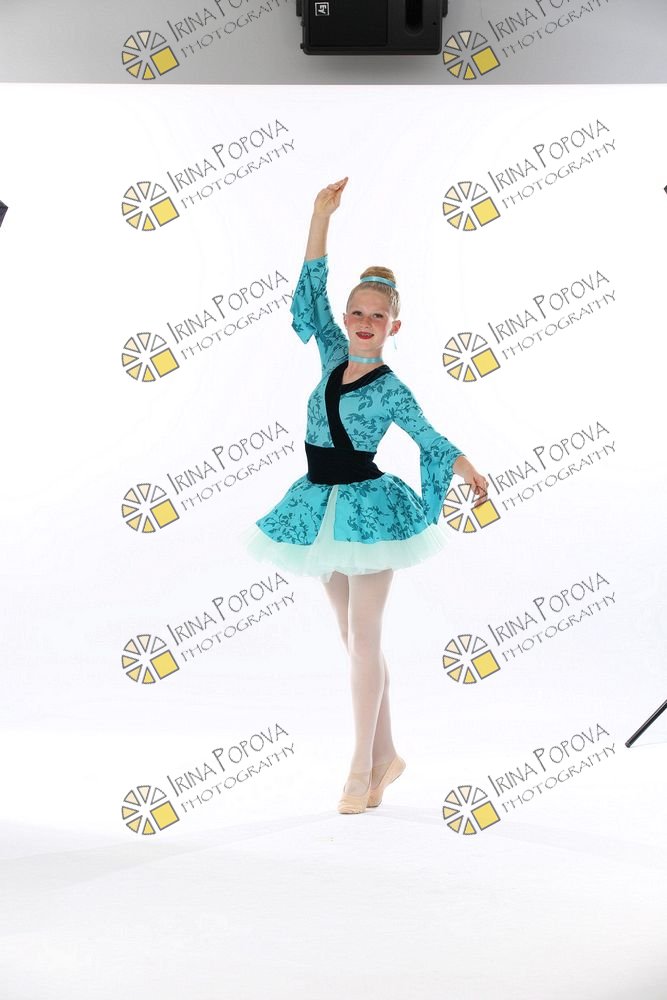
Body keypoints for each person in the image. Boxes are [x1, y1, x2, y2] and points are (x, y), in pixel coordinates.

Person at [242, 177, 488, 814]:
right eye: (357, 313)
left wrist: (465, 467)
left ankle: (358, 768)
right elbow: (309, 295)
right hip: (317, 506)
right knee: (353, 643)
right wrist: (319, 218)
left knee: (365, 637)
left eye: (377, 316)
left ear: (393, 325)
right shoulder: (330, 354)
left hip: (369, 513)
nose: (364, 323)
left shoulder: (391, 387)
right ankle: (386, 756)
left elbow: (428, 436)